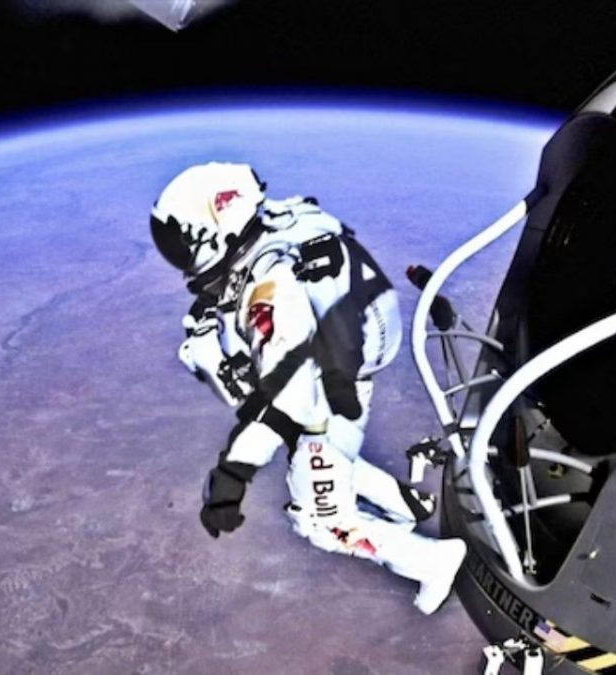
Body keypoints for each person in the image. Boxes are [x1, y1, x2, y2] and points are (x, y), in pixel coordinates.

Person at [149, 162, 467, 614]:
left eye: (181, 244)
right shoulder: (288, 220)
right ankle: (405, 504)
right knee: (315, 449)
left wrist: (233, 473)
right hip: (344, 360)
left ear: (214, 232)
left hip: (325, 394)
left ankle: (432, 562)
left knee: (319, 521)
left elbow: (288, 401)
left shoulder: (269, 294)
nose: (178, 257)